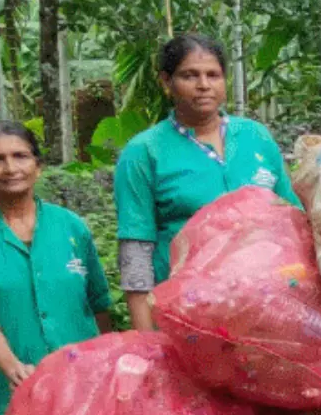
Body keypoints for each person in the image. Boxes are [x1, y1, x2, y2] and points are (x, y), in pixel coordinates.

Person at [114, 33, 300, 330]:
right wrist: (146, 339)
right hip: (188, 317)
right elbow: (136, 251)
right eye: (190, 75)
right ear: (166, 82)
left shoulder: (255, 137)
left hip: (266, 310)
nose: (203, 85)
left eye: (213, 75)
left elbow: (293, 220)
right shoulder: (144, 152)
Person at [0, 122, 113, 415]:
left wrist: (107, 368)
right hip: (5, 400)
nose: (10, 168)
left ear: (38, 167)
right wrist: (14, 369)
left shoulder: (71, 227)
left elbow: (98, 305)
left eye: (20, 156)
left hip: (81, 392)